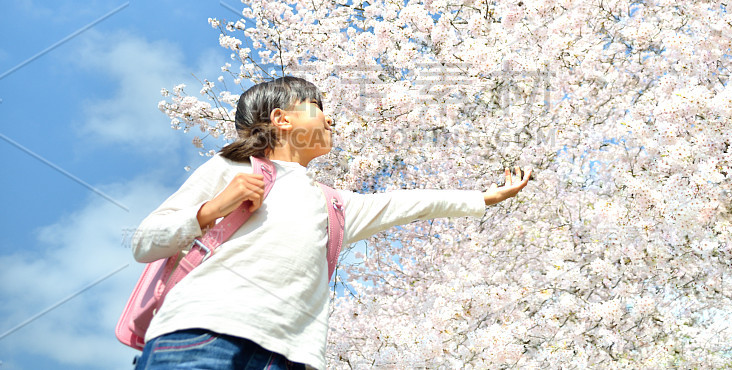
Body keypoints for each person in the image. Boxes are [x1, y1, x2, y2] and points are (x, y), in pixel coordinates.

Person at [131, 76, 531, 369]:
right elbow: (146, 241)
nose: (330, 120)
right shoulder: (233, 167)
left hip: (290, 355)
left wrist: (481, 197)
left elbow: (411, 203)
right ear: (281, 119)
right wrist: (214, 207)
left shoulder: (334, 205)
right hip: (202, 331)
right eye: (318, 108)